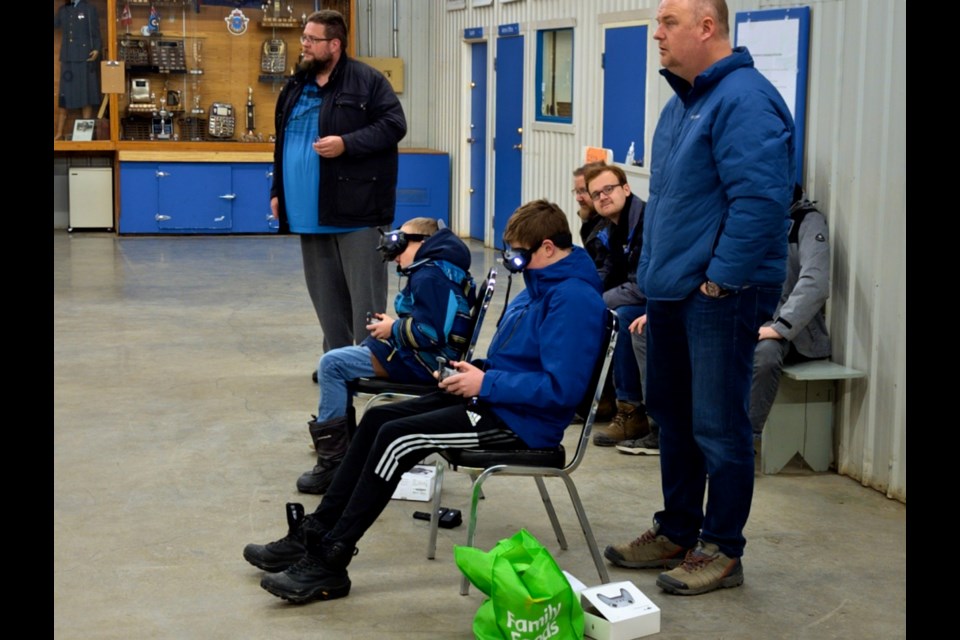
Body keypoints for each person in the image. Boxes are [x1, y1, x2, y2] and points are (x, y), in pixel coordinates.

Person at [244, 199, 608, 605]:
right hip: (498, 401)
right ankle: (316, 531)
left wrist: (486, 383)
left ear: (546, 247)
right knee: (378, 420)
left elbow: (562, 390)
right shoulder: (538, 288)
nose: (511, 263)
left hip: (523, 424)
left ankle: (332, 559)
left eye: (518, 254)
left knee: (401, 438)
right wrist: (469, 372)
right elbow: (519, 361)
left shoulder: (573, 300)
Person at [604, 0, 796, 596]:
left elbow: (762, 203)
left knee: (718, 424)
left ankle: (723, 548)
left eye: (668, 23)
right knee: (675, 417)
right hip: (671, 292)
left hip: (716, 295)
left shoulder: (744, 100)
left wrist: (719, 280)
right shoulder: (683, 103)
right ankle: (679, 529)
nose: (656, 34)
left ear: (706, 28)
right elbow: (671, 204)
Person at [270, 9, 407, 379]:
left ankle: (369, 363)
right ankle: (338, 362)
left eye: (312, 40)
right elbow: (283, 141)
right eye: (304, 39)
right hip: (306, 211)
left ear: (335, 44)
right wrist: (277, 190)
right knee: (325, 297)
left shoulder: (367, 81)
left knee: (365, 297)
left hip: (357, 211)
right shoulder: (296, 85)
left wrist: (347, 143)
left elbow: (395, 125)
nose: (305, 46)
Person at [297, 217, 475, 495]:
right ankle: (346, 452)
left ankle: (333, 463)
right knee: (342, 360)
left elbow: (430, 335)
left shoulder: (430, 276)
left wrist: (392, 328)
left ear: (423, 244)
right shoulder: (441, 269)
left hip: (424, 363)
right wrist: (391, 327)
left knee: (331, 364)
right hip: (423, 357)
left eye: (402, 245)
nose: (394, 257)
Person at [750, 186, 831, 436]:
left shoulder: (807, 221)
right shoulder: (749, 218)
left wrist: (780, 327)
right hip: (746, 317)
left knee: (764, 356)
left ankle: (742, 443)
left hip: (789, 329)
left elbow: (815, 282)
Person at [582, 164, 650, 447]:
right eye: (596, 194)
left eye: (608, 189)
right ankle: (598, 398)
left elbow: (643, 286)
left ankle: (631, 410)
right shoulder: (610, 228)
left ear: (626, 188)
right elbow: (605, 274)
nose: (603, 197)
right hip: (634, 296)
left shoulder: (647, 222)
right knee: (584, 312)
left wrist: (596, 302)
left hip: (658, 302)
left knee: (620, 317)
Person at [54, 0, 102, 141]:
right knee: (64, 95)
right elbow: (56, 24)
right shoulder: (63, 9)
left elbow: (96, 32)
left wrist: (97, 49)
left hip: (84, 57)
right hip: (68, 58)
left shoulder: (89, 9)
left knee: (85, 94)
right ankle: (59, 133)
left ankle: (84, 135)